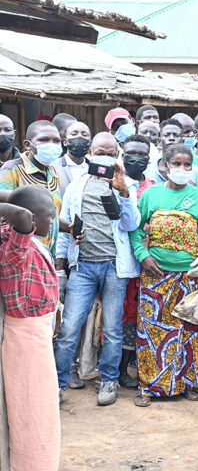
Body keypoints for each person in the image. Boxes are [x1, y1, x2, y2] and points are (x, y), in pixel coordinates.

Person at [54, 132, 141, 406]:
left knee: (113, 329)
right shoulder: (76, 186)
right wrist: (61, 264)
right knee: (69, 329)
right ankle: (57, 384)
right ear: (90, 152)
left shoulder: (126, 184)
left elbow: (131, 224)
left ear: (117, 155)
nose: (104, 155)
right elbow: (65, 227)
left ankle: (108, 380)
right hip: (83, 266)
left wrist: (123, 191)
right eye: (99, 151)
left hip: (114, 267)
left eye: (110, 152)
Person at [129, 144, 198, 407]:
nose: (181, 169)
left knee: (188, 331)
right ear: (164, 165)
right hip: (155, 274)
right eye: (176, 164)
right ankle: (149, 386)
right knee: (151, 330)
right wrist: (143, 255)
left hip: (188, 275)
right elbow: (133, 229)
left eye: (186, 165)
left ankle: (188, 382)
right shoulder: (151, 194)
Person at [0, 185, 60, 470]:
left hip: (36, 332)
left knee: (41, 409)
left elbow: (17, 205)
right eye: (50, 215)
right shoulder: (15, 246)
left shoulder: (28, 238)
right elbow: (20, 212)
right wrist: (20, 209)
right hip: (24, 337)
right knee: (33, 409)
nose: (54, 220)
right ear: (33, 220)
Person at [118, 134, 155, 388]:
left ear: (149, 158)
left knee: (148, 315)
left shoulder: (153, 187)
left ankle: (148, 369)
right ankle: (120, 371)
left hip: (152, 264)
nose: (136, 158)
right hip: (124, 264)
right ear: (122, 153)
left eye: (142, 154)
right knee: (126, 317)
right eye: (131, 152)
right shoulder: (114, 183)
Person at [0, 120, 62, 254]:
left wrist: (68, 227)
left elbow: (49, 215)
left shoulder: (53, 172)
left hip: (46, 253)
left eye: (56, 141)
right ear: (28, 145)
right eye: (44, 140)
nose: (51, 145)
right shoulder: (12, 170)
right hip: (20, 254)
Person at [144, 119, 198, 185]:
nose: (171, 138)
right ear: (160, 140)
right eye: (166, 135)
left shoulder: (195, 172)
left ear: (182, 141)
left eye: (176, 135)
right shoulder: (147, 171)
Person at [54, 121, 91, 195]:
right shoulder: (53, 167)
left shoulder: (94, 169)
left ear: (90, 143)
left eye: (84, 134)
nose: (79, 137)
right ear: (65, 142)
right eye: (74, 134)